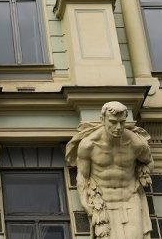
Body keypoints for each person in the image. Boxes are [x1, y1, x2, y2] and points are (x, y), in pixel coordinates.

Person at [66, 101, 153, 239]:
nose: (118, 127)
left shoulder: (135, 143)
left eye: (122, 122)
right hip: (103, 204)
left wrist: (143, 174)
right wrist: (84, 201)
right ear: (103, 120)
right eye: (113, 122)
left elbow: (148, 162)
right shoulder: (88, 145)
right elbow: (83, 176)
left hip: (130, 200)